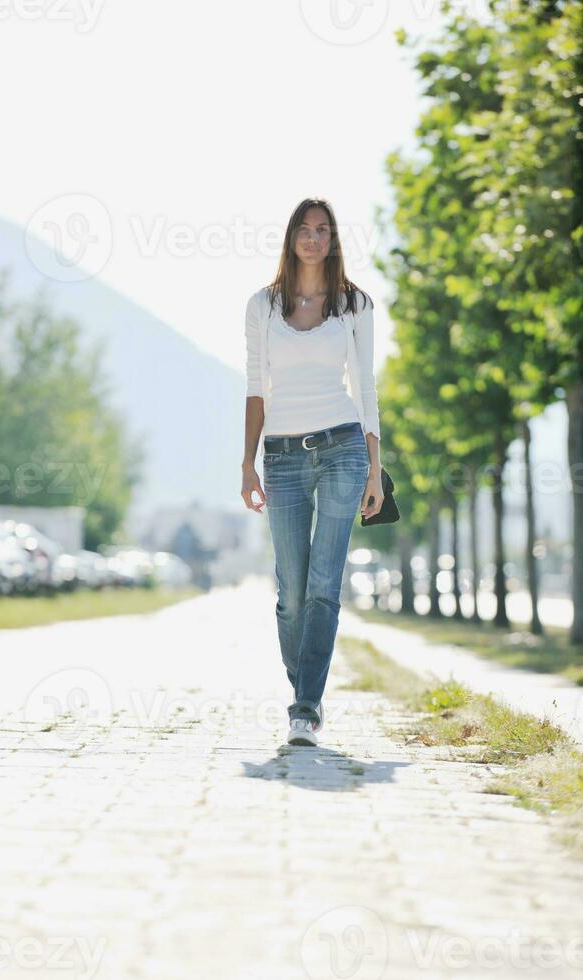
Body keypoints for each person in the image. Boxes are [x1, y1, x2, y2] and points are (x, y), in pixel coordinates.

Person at [241, 197, 384, 747]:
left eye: (323, 230)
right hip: (280, 456)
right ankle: (303, 685)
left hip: (343, 448)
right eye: (304, 229)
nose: (313, 238)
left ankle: (305, 706)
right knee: (292, 592)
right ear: (291, 237)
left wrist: (376, 468)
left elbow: (365, 387)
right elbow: (256, 387)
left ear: (334, 239)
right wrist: (247, 464)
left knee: (324, 585)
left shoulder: (354, 304)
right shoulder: (263, 305)